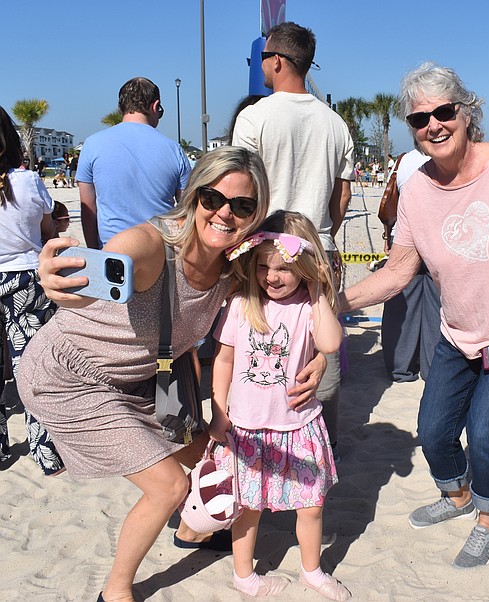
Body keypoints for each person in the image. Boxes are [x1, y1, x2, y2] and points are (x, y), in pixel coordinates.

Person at [18, 146, 327, 602]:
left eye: (241, 206)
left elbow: (305, 290)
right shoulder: (152, 246)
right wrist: (62, 281)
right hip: (71, 378)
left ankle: (190, 530)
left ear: (255, 213)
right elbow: (108, 264)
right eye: (211, 198)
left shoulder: (239, 263)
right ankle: (117, 590)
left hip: (153, 373)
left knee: (214, 454)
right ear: (192, 196)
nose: (224, 213)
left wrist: (319, 356)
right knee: (169, 485)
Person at [341, 62, 489, 568]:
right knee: (434, 430)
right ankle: (458, 497)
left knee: (485, 431)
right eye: (420, 119)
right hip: (458, 331)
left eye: (443, 112)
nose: (433, 125)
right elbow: (398, 272)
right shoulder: (415, 188)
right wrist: (335, 302)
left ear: (466, 113)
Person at [210, 210, 349, 600]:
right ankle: (244, 576)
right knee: (247, 507)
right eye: (263, 266)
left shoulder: (308, 306)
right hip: (248, 426)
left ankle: (312, 570)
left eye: (284, 268)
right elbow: (223, 360)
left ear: (306, 268)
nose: (272, 276)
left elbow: (331, 343)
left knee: (311, 506)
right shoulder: (242, 304)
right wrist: (218, 410)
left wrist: (321, 288)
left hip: (299, 425)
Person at [231, 21, 354, 452]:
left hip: (265, 253)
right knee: (322, 348)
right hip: (318, 249)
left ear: (277, 60)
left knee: (258, 345)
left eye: (262, 58)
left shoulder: (255, 116)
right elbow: (342, 195)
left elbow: (240, 188)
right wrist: (321, 235)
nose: (261, 65)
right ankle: (322, 441)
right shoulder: (335, 124)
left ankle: (257, 431)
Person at [0, 105, 63, 475]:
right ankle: (46, 451)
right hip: (24, 280)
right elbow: (46, 233)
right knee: (32, 369)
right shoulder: (26, 182)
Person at [77, 76, 191, 249]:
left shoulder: (92, 144)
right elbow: (186, 208)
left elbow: (88, 209)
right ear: (155, 106)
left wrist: (95, 251)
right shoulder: (174, 150)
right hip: (160, 250)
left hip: (113, 251)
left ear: (120, 108)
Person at [380, 149, 441, 382]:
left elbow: (390, 202)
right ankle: (432, 367)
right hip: (439, 238)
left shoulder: (405, 160)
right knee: (437, 306)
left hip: (404, 237)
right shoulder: (450, 158)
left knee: (401, 305)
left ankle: (399, 367)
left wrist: (387, 238)